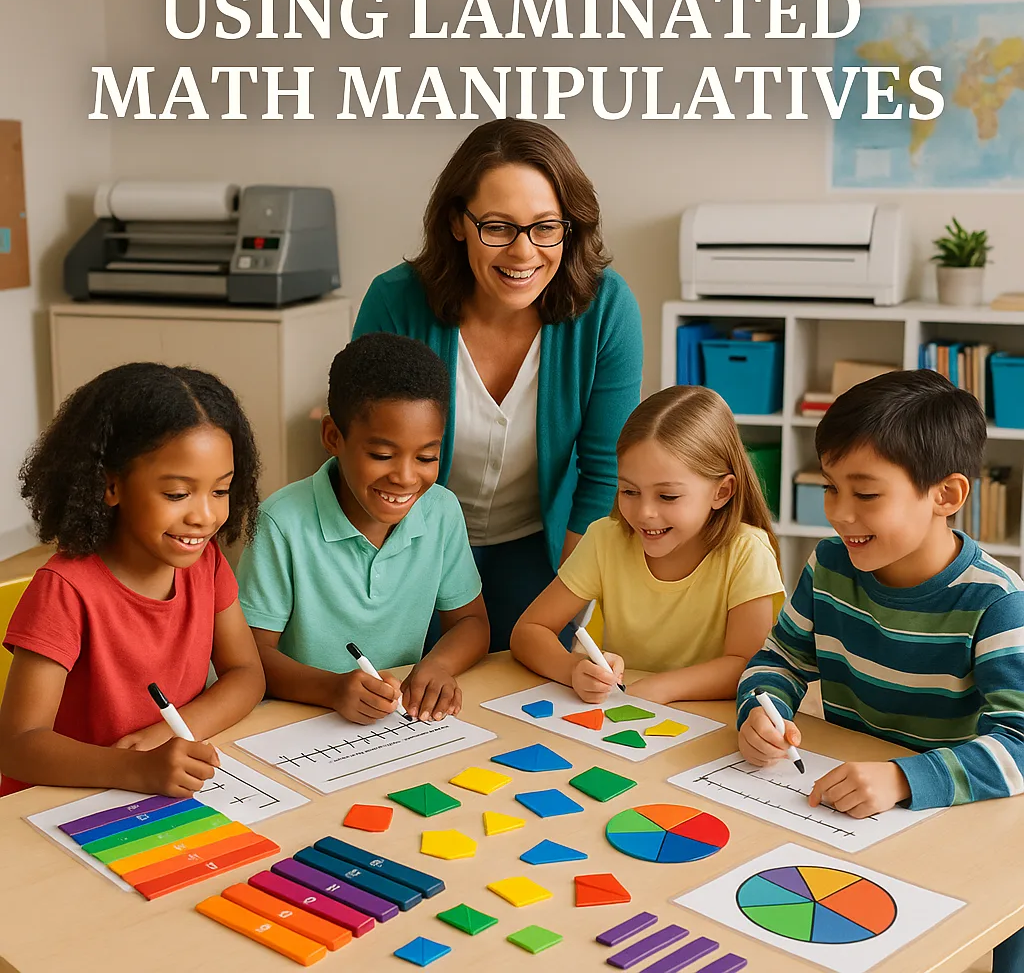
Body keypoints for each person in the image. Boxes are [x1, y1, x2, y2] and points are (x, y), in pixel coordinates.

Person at [735, 369, 1024, 973]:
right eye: (830, 489)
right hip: (847, 809)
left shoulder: (996, 602)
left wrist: (902, 779)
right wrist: (763, 710)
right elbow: (780, 659)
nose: (840, 514)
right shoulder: (830, 566)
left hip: (962, 817)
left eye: (865, 495)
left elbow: (1019, 746)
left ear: (947, 495)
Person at [353, 118, 643, 651]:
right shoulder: (395, 302)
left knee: (522, 705)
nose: (524, 252)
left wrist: (566, 601)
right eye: (499, 227)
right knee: (407, 705)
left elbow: (604, 475)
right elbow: (364, 449)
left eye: (545, 226)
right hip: (407, 546)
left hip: (543, 554)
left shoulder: (606, 309)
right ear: (458, 223)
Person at [0, 363, 265, 798]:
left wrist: (170, 734)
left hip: (152, 785)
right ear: (111, 485)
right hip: (59, 804)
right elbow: (17, 746)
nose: (204, 516)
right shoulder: (65, 590)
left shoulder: (206, 563)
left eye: (220, 491)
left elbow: (246, 674)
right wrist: (135, 767)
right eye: (178, 494)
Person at [237, 332, 489, 724]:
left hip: (393, 723)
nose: (406, 477)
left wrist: (438, 665)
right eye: (382, 455)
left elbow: (472, 624)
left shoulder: (441, 511)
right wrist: (332, 688)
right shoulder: (281, 522)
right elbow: (247, 656)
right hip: (292, 722)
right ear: (333, 437)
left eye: (426, 456)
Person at [510, 385, 785, 704]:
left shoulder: (747, 552)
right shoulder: (605, 538)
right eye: (629, 491)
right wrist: (572, 669)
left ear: (721, 492)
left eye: (667, 496)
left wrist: (661, 689)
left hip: (707, 723)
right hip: (620, 715)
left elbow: (747, 666)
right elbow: (529, 630)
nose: (644, 513)